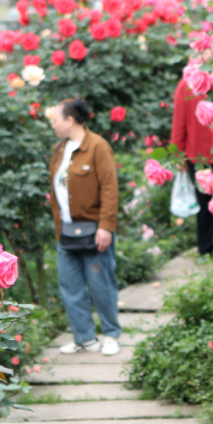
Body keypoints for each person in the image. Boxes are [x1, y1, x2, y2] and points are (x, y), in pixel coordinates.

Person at [47, 98, 122, 356]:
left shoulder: (98, 147)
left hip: (95, 230)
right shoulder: (60, 148)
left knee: (101, 284)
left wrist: (106, 226)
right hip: (66, 230)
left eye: (55, 120)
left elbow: (110, 188)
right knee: (70, 285)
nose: (53, 124)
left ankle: (111, 335)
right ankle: (84, 338)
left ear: (70, 120)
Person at [170, 77, 213, 255]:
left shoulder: (187, 83)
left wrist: (178, 154)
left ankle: (207, 252)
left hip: (202, 152)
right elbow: (180, 122)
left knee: (206, 203)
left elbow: (179, 122)